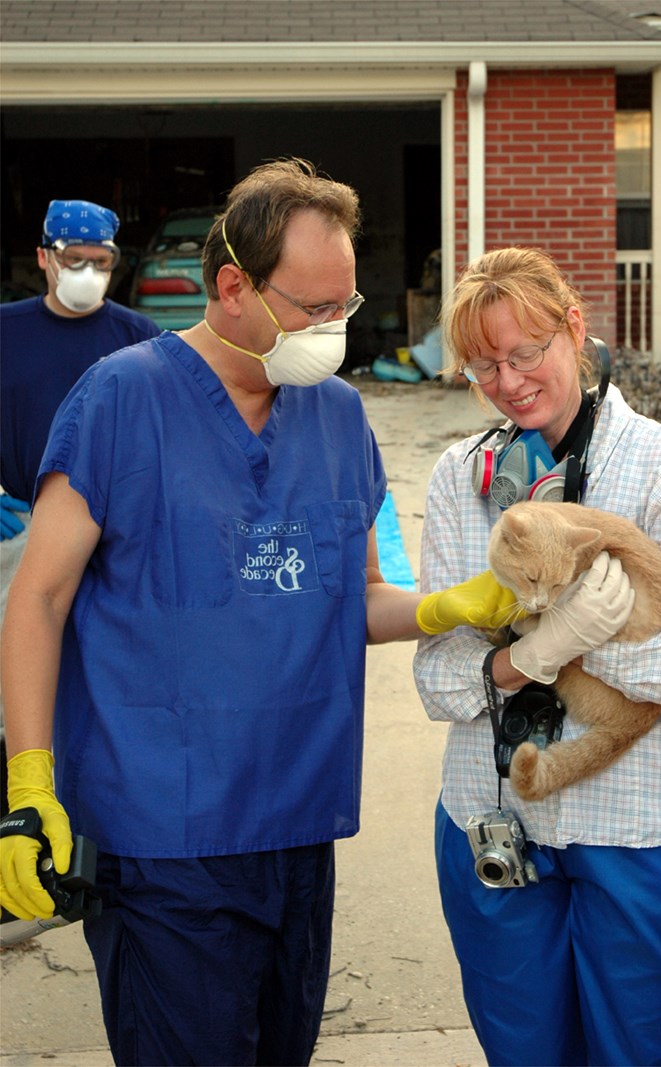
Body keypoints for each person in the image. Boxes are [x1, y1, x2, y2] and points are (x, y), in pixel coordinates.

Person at [0, 158, 515, 1067]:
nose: (331, 333)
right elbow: (37, 598)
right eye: (313, 309)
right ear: (233, 286)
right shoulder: (122, 399)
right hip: (159, 835)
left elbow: (353, 597)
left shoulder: (339, 416)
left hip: (296, 824)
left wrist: (444, 607)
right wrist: (29, 783)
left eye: (344, 310)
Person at [413, 246, 661, 1066]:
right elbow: (438, 681)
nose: (510, 380)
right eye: (484, 365)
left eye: (526, 351)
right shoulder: (462, 478)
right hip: (494, 819)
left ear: (574, 329)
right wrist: (544, 649)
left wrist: (575, 646)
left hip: (645, 829)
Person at [0, 199, 160, 809]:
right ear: (44, 258)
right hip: (21, 526)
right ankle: (25, 819)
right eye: (74, 260)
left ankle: (100, 827)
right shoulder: (8, 331)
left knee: (105, 684)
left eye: (102, 261)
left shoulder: (137, 339)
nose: (88, 273)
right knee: (19, 685)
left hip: (113, 540)